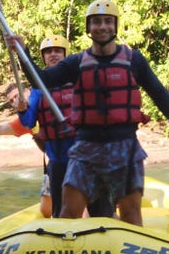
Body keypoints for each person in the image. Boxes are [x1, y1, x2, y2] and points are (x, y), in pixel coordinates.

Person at [11, 0, 169, 226]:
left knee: (130, 215)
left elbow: (159, 93)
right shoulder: (76, 63)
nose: (102, 26)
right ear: (89, 28)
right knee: (68, 213)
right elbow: (43, 80)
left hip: (124, 147)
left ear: (115, 26)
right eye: (96, 22)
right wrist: (23, 52)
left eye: (108, 21)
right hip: (86, 148)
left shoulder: (134, 60)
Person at [17, 35, 114, 218]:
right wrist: (22, 110)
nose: (53, 54)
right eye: (48, 52)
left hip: (87, 156)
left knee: (101, 210)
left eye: (57, 51)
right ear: (44, 57)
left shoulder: (79, 80)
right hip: (59, 160)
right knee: (61, 212)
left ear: (65, 54)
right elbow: (28, 122)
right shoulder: (38, 90)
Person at [0, 82, 49, 216]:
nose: (15, 101)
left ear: (28, 92)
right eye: (11, 100)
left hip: (72, 157)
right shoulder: (25, 121)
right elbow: (0, 129)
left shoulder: (48, 102)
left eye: (17, 96)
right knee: (46, 211)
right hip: (53, 163)